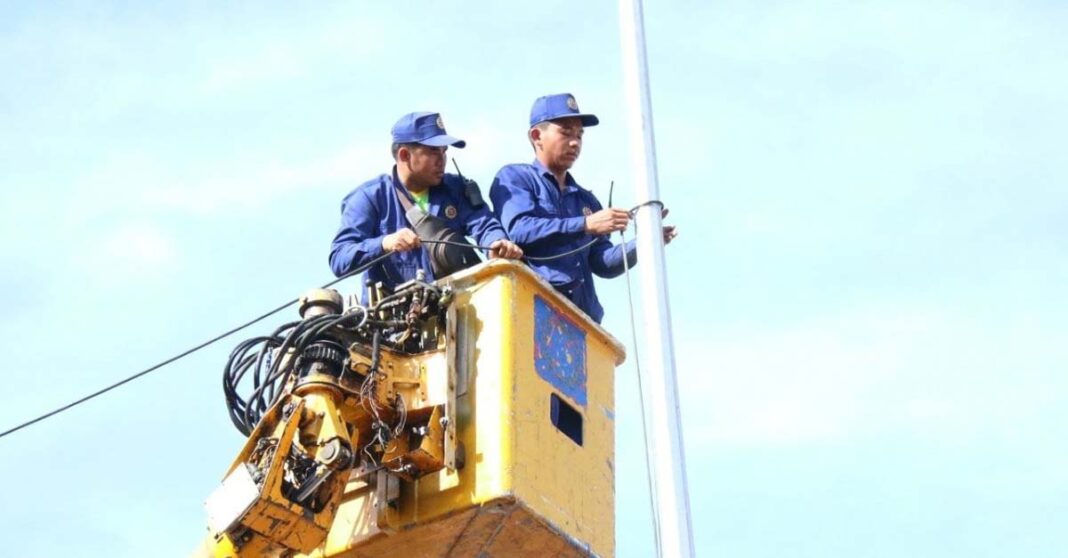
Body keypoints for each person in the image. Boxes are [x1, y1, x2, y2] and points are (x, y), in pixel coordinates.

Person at [489, 93, 676, 323]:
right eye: (566, 132)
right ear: (537, 136)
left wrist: (646, 242)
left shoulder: (586, 201)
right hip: (535, 311)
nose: (575, 142)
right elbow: (521, 230)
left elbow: (602, 263)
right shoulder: (515, 177)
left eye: (579, 135)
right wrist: (586, 224)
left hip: (582, 322)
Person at [329, 111, 522, 298]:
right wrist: (384, 243)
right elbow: (339, 258)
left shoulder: (455, 188)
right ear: (404, 155)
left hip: (458, 311)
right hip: (396, 324)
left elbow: (483, 224)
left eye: (444, 151)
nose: (442, 160)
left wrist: (496, 242)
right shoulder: (369, 197)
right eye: (433, 151)